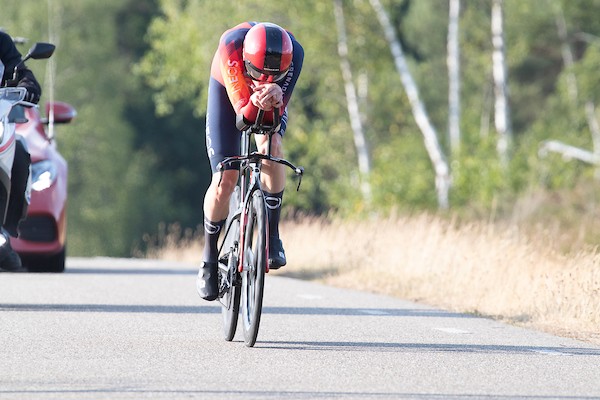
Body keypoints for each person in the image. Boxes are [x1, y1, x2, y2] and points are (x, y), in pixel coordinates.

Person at [197, 22, 304, 301]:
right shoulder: (231, 47)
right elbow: (242, 119)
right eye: (259, 74)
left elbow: (274, 118)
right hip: (230, 90)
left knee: (273, 146)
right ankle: (209, 256)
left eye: (275, 75)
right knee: (225, 177)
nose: (266, 80)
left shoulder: (297, 54)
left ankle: (272, 233)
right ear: (247, 62)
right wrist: (255, 99)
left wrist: (277, 96)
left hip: (268, 101)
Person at [0, 30, 41, 271]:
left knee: (19, 149)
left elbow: (21, 72)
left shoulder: (1, 42)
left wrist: (28, 85)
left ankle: (5, 229)